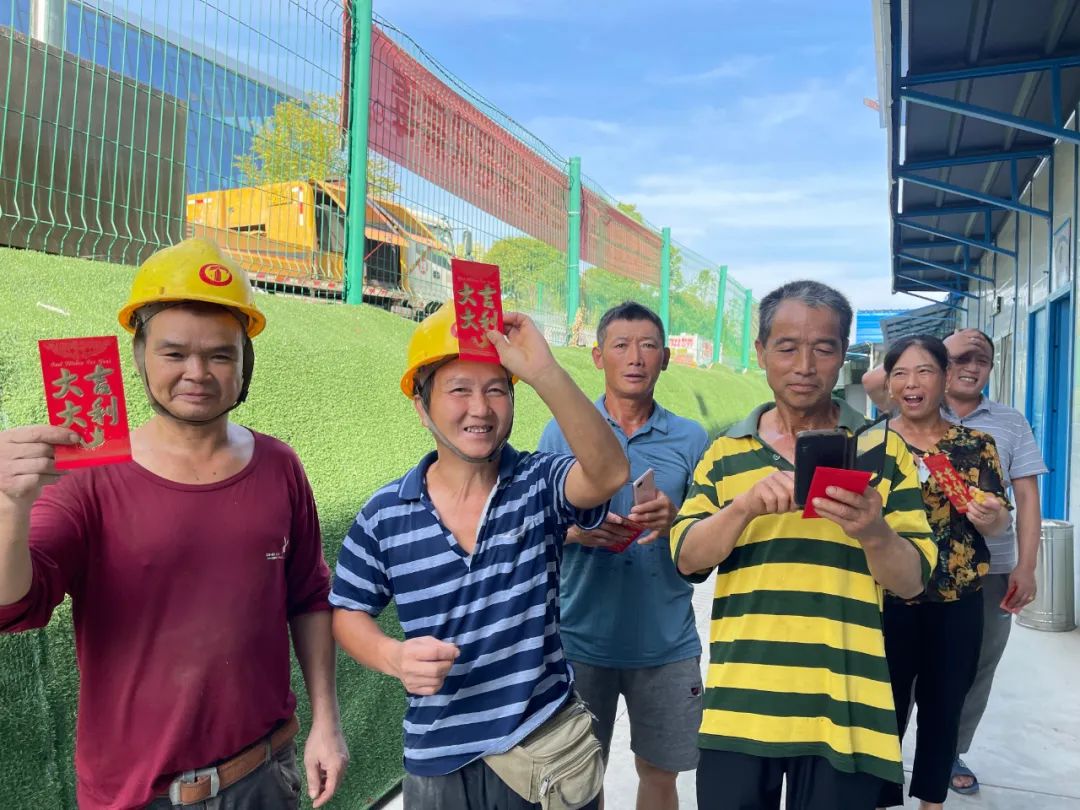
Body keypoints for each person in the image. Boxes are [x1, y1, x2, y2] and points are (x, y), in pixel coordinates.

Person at [0, 238, 348, 810]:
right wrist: (10, 508)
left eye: (220, 355)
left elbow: (309, 596)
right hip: (136, 795)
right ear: (139, 355)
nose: (197, 373)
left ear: (244, 362)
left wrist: (326, 723)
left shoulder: (279, 465)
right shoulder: (89, 474)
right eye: (174, 353)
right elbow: (16, 604)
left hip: (264, 776)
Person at [330, 303, 629, 809]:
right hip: (437, 763)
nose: (481, 408)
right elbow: (347, 612)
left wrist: (543, 372)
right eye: (459, 390)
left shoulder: (538, 484)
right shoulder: (385, 514)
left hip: (544, 749)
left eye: (496, 389)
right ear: (421, 406)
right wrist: (393, 657)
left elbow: (608, 473)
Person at [669, 280, 937, 810]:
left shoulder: (884, 450)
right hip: (741, 705)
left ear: (844, 355)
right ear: (761, 352)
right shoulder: (724, 453)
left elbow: (913, 580)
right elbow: (686, 559)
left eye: (824, 348)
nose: (805, 366)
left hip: (846, 707)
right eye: (787, 347)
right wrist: (742, 508)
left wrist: (873, 531)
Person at [538, 302, 709, 810]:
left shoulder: (691, 438)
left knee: (659, 774)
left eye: (648, 345)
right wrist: (578, 533)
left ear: (665, 359)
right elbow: (536, 528)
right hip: (578, 639)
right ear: (598, 357)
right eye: (621, 345)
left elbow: (704, 541)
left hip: (666, 642)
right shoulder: (562, 432)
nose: (635, 357)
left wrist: (675, 520)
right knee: (573, 781)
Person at [876, 335, 1010, 810]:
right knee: (883, 708)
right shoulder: (872, 444)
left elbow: (1000, 517)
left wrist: (992, 517)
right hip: (885, 599)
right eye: (900, 373)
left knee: (944, 705)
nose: (911, 383)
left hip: (958, 599)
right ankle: (878, 798)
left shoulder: (975, 445)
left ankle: (932, 801)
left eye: (924, 371)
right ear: (889, 384)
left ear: (946, 378)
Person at [939, 328, 1048, 795]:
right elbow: (878, 376)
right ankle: (887, 747)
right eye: (958, 357)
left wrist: (1027, 566)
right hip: (920, 563)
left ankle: (949, 750)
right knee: (906, 660)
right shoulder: (915, 409)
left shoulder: (1009, 422)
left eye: (981, 359)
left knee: (978, 664)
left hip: (991, 568)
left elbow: (1027, 496)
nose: (970, 366)